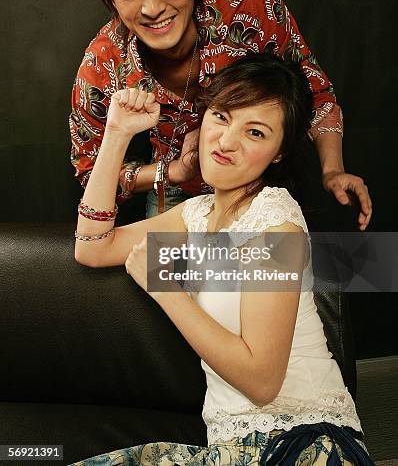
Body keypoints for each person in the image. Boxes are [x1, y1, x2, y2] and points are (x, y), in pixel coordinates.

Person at [71, 56, 374, 465]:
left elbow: (262, 381)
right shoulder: (197, 214)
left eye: (255, 132)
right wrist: (116, 135)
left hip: (299, 442)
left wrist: (166, 288)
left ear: (280, 152)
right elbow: (92, 246)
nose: (225, 142)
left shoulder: (276, 224)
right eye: (220, 116)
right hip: (232, 449)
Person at [69, 0, 372, 228]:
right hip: (176, 196)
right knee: (167, 278)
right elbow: (91, 170)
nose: (152, 8)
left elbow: (315, 92)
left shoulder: (247, 8)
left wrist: (332, 170)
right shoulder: (104, 62)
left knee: (264, 278)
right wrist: (173, 171)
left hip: (260, 186)